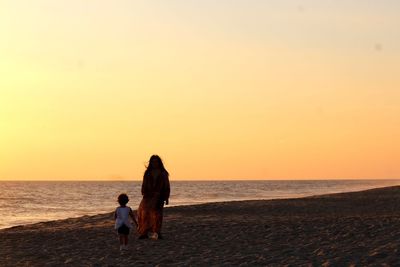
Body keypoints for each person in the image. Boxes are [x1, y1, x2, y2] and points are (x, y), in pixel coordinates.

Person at [137, 155, 170, 240]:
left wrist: (166, 197)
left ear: (159, 162)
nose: (155, 163)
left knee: (158, 215)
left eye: (156, 161)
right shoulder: (147, 173)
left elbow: (166, 185)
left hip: (159, 196)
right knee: (145, 214)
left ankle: (157, 232)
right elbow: (144, 183)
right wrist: (143, 192)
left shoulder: (163, 173)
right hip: (148, 196)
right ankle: (144, 232)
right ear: (150, 163)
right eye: (153, 162)